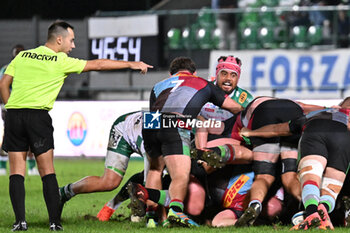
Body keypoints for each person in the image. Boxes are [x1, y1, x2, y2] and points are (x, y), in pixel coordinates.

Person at [0, 20, 152, 231]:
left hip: (14, 115)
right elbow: (97, 64)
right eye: (71, 41)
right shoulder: (61, 60)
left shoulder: (22, 56)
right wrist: (131, 64)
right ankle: (54, 223)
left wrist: (11, 108)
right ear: (59, 39)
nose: (72, 46)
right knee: (47, 171)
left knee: (17, 171)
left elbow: (3, 84)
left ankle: (20, 222)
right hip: (38, 116)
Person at [143, 56, 243, 227]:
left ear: (171, 73)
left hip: (150, 123)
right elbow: (233, 107)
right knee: (180, 174)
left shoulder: (158, 86)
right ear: (194, 72)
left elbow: (155, 108)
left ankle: (151, 218)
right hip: (175, 122)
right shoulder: (202, 83)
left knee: (154, 170)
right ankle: (176, 212)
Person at [59, 111, 150, 221]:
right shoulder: (153, 146)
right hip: (123, 130)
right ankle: (64, 193)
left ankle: (111, 208)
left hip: (144, 132)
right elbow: (149, 181)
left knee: (164, 175)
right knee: (109, 182)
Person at [0, 44, 39, 176]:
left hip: (27, 108)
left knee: (29, 136)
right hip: (9, 108)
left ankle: (32, 166)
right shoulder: (6, 69)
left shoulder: (30, 71)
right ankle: (3, 165)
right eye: (16, 54)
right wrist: (6, 106)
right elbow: (2, 87)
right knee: (8, 136)